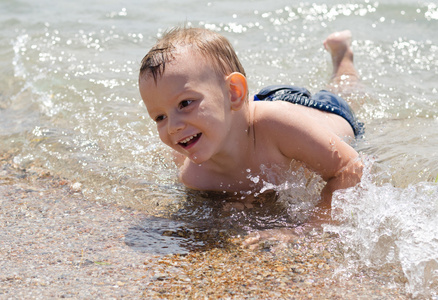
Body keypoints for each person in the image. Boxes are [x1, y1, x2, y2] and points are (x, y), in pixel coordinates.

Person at [138, 27, 363, 220]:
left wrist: (310, 228)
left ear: (233, 93)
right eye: (160, 117)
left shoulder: (277, 124)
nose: (173, 127)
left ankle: (342, 56)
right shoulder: (193, 174)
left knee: (344, 90)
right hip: (242, 115)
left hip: (320, 111)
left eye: (185, 103)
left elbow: (349, 167)